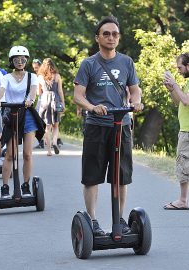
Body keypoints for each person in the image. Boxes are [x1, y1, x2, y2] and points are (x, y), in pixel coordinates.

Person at [73, 16, 143, 235]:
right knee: (92, 175)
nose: (111, 37)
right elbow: (78, 96)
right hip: (96, 125)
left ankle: (119, 220)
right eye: (106, 33)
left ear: (119, 37)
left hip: (121, 124)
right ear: (98, 38)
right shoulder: (89, 64)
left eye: (115, 34)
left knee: (120, 176)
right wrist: (92, 107)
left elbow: (134, 89)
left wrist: (136, 101)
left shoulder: (126, 62)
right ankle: (92, 221)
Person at [0, 45, 44, 198]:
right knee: (10, 154)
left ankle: (26, 185)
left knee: (28, 154)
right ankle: (4, 187)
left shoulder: (32, 77)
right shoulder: (6, 77)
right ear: (12, 61)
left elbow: (34, 91)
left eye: (23, 59)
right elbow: (2, 90)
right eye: (17, 59)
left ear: (26, 61)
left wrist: (30, 99)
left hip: (27, 115)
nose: (20, 62)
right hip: (12, 114)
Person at [163, 52, 189, 210]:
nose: (178, 71)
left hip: (188, 132)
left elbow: (186, 101)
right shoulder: (188, 83)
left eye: (180, 67)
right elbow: (178, 101)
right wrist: (171, 89)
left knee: (183, 164)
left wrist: (175, 84)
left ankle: (182, 200)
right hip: (186, 130)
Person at [38, 58, 65, 156]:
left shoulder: (40, 77)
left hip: (45, 100)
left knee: (47, 127)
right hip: (55, 101)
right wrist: (63, 103)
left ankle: (49, 151)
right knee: (56, 126)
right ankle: (54, 142)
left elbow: (38, 93)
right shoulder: (57, 76)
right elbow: (60, 91)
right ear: (53, 65)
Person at [32, 58, 44, 149]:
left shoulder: (40, 76)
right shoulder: (39, 75)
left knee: (38, 120)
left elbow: (39, 92)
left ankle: (42, 140)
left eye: (36, 67)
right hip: (41, 99)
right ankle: (56, 139)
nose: (35, 69)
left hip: (41, 100)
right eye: (34, 68)